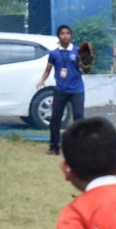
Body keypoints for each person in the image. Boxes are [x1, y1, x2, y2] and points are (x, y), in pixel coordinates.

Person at [37, 24, 85, 155]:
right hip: (60, 90)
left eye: (68, 33)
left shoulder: (77, 51)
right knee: (55, 119)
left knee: (79, 118)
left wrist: (86, 63)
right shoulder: (53, 54)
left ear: (71, 36)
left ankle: (79, 147)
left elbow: (84, 68)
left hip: (77, 90)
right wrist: (42, 80)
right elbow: (48, 70)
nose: (65, 35)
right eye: (62, 33)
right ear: (59, 36)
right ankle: (54, 146)